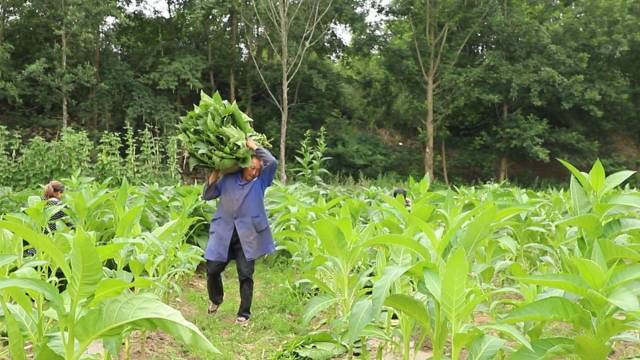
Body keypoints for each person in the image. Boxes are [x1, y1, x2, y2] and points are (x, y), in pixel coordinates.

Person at [202, 138, 278, 325]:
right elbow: (207, 195)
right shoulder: (228, 180)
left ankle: (243, 313)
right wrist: (215, 172)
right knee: (212, 269)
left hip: (248, 235)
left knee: (245, 274)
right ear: (243, 165)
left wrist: (253, 146)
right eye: (252, 168)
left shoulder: (260, 181)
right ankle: (216, 299)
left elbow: (273, 162)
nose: (255, 172)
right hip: (224, 233)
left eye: (258, 169)